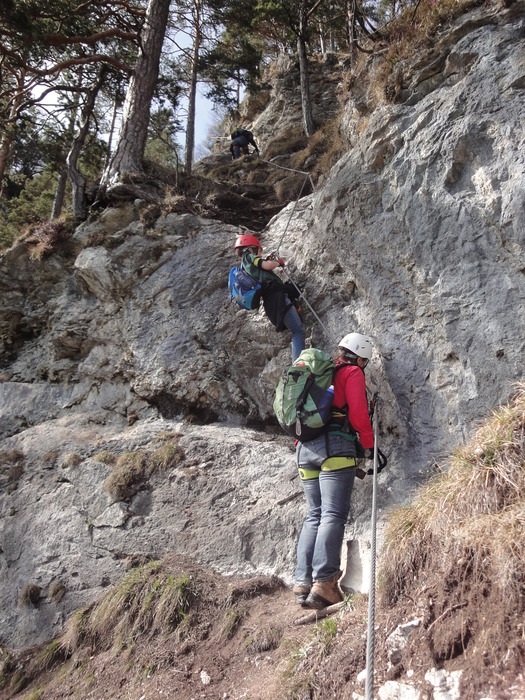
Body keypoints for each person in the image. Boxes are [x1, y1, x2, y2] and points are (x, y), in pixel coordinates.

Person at [293, 332, 375, 609]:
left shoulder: (320, 374)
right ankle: (325, 583)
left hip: (304, 450)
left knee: (314, 514)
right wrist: (370, 445)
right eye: (365, 361)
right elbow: (358, 414)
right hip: (335, 448)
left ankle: (302, 581)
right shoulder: (352, 372)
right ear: (361, 357)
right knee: (332, 514)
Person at [234, 233, 305, 361]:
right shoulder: (249, 257)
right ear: (250, 248)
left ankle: (298, 366)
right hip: (277, 297)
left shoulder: (246, 267)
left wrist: (269, 260)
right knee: (298, 331)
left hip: (272, 301)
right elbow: (267, 265)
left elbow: (262, 268)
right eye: (258, 250)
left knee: (297, 329)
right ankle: (298, 367)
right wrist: (276, 262)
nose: (259, 253)